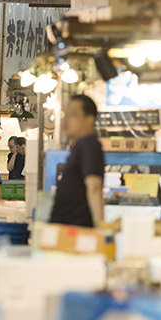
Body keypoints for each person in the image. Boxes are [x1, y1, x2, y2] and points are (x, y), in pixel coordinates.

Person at [49, 94, 105, 229]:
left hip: (74, 233)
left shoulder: (89, 145)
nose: (66, 120)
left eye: (73, 115)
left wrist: (100, 229)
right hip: (66, 229)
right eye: (65, 114)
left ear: (89, 120)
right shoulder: (80, 145)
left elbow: (94, 187)